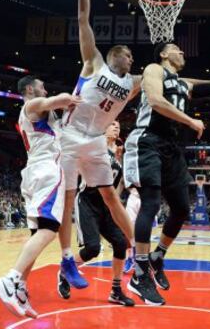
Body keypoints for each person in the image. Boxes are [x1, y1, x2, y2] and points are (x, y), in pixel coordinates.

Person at [123, 42, 210, 305]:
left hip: (171, 147)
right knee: (150, 204)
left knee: (182, 209)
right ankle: (140, 274)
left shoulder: (183, 82)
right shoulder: (154, 70)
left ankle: (157, 256)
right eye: (177, 48)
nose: (183, 52)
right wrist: (190, 121)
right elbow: (154, 100)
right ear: (164, 54)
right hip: (147, 141)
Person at [57, 0, 140, 288]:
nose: (132, 59)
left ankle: (137, 252)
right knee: (67, 199)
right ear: (116, 54)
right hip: (69, 134)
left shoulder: (132, 83)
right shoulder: (95, 62)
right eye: (129, 54)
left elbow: (165, 80)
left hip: (94, 140)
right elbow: (82, 19)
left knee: (110, 196)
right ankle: (67, 259)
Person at [0, 76, 82, 318]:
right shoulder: (31, 105)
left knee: (37, 234)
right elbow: (59, 99)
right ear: (30, 89)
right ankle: (10, 279)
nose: (45, 89)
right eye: (42, 86)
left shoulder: (42, 114)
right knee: (50, 229)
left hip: (34, 173)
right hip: (46, 172)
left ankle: (20, 288)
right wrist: (70, 99)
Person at [58, 121, 134, 306]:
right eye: (112, 124)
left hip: (106, 206)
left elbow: (116, 184)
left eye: (118, 125)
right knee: (93, 248)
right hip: (88, 202)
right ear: (102, 128)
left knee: (120, 243)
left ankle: (116, 291)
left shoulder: (117, 153)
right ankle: (65, 271)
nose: (117, 127)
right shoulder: (96, 145)